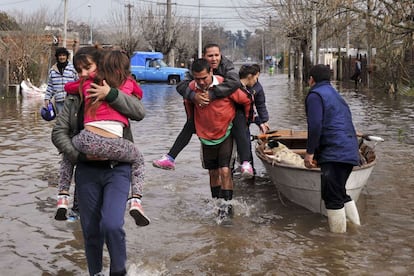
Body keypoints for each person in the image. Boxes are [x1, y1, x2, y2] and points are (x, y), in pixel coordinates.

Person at [51, 47, 146, 276]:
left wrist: (110, 94)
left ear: (101, 67)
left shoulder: (117, 87)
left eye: (88, 68)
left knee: (112, 225)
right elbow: (58, 133)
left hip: (117, 169)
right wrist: (80, 155)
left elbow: (139, 111)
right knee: (91, 231)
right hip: (86, 170)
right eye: (79, 70)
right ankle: (95, 273)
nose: (83, 74)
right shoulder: (75, 98)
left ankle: (118, 272)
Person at [153, 43, 255, 178]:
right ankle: (170, 158)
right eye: (210, 56)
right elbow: (182, 86)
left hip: (229, 108)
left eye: (216, 55)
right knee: (190, 124)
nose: (214, 59)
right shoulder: (197, 69)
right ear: (204, 57)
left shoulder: (227, 67)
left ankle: (246, 163)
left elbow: (234, 83)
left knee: (240, 125)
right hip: (205, 111)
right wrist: (194, 96)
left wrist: (212, 94)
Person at [185, 58, 252, 218]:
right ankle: (217, 203)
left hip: (227, 132)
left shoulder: (225, 86)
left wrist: (244, 122)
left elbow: (247, 100)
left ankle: (227, 207)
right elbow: (187, 105)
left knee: (225, 170)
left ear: (211, 72)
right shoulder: (191, 89)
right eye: (197, 79)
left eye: (204, 78)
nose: (201, 82)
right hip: (206, 135)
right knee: (213, 172)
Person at [304, 64, 361, 233]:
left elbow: (315, 126)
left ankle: (337, 246)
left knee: (332, 197)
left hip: (334, 152)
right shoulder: (336, 95)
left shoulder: (315, 95)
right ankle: (357, 231)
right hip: (349, 150)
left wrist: (310, 153)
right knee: (340, 193)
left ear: (311, 80)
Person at [238, 64, 270, 169]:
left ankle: (249, 170)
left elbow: (260, 105)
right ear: (250, 76)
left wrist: (263, 121)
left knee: (246, 145)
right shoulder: (236, 87)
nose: (256, 80)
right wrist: (259, 122)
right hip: (236, 120)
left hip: (247, 119)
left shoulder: (258, 88)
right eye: (256, 77)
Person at [44, 47, 78, 114]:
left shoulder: (73, 69)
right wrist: (47, 98)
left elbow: (78, 82)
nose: (62, 57)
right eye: (60, 55)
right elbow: (50, 86)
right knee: (61, 120)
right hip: (59, 101)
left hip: (71, 100)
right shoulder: (53, 70)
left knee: (72, 120)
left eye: (64, 55)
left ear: (67, 56)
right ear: (57, 57)